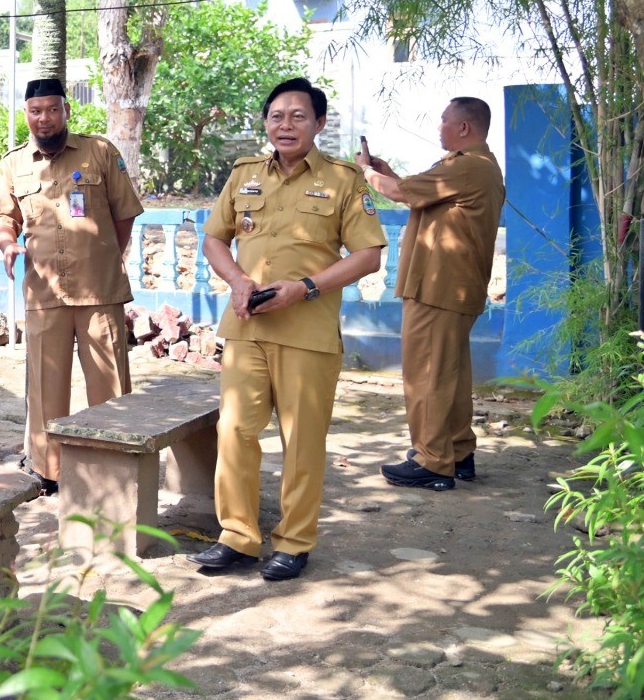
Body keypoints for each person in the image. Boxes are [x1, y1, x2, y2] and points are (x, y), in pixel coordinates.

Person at [190, 77, 385, 582]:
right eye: (277, 116)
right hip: (246, 324)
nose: (286, 124)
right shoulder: (245, 174)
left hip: (307, 330)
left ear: (319, 124)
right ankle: (237, 536)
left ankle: (294, 542)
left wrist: (307, 288)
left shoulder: (344, 180)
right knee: (233, 430)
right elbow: (214, 238)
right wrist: (236, 279)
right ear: (266, 122)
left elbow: (367, 255)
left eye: (298, 116)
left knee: (301, 439)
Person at [0, 78, 144, 495]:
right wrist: (6, 244)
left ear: (66, 110)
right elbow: (3, 219)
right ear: (26, 114)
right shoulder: (13, 164)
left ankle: (111, 467)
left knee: (109, 387)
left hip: (99, 291)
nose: (44, 118)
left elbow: (124, 213)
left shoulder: (100, 152)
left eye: (52, 109)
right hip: (44, 292)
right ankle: (49, 471)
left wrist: (108, 255)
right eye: (36, 110)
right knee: (45, 388)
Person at [356, 98, 505, 489]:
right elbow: (414, 190)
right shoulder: (474, 167)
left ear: (464, 128)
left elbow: (402, 193)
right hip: (452, 287)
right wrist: (388, 174)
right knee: (449, 374)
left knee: (426, 374)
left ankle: (432, 460)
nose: (438, 127)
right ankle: (457, 451)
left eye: (444, 121)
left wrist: (368, 172)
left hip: (437, 287)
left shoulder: (468, 166)